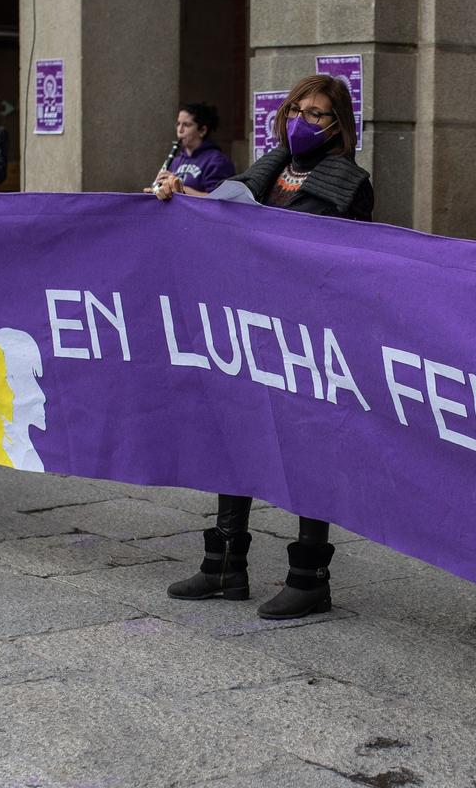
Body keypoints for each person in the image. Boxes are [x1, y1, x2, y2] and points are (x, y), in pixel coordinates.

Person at [151, 73, 373, 615]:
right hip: (250, 326)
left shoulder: (349, 182)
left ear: (338, 125)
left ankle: (309, 574)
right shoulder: (267, 171)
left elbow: (294, 244)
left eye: (317, 114)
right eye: (297, 110)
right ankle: (225, 564)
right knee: (235, 435)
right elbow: (230, 216)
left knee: (306, 448)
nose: (303, 121)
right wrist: (183, 196)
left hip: (305, 336)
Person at [151, 102, 235, 194]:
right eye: (178, 124)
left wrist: (179, 187)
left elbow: (216, 201)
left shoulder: (217, 161)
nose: (180, 130)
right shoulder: (176, 161)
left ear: (202, 130)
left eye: (186, 125)